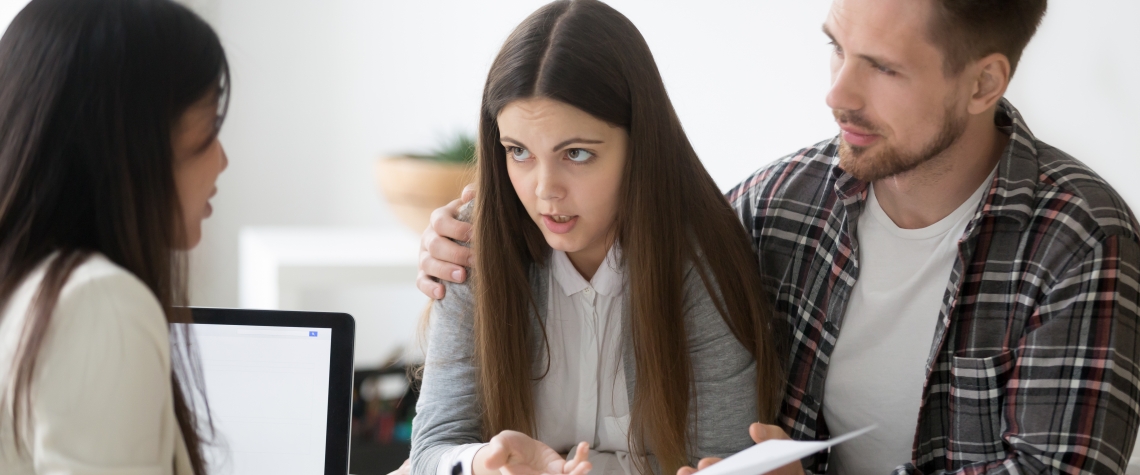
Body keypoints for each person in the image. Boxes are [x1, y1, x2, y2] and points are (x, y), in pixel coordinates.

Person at [417, 0, 1140, 474]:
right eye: (836, 48)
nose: (837, 93)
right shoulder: (780, 206)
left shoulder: (1078, 244)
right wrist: (454, 239)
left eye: (882, 68)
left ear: (985, 84)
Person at [410, 2, 786, 475]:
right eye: (519, 151)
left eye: (577, 153)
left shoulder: (701, 261)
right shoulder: (469, 244)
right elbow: (431, 450)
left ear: (640, 145)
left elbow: (725, 460)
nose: (545, 190)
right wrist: (481, 463)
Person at [0, 0, 229, 473]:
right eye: (208, 130)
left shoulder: (26, 285)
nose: (222, 160)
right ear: (132, 142)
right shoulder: (98, 304)